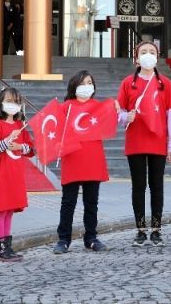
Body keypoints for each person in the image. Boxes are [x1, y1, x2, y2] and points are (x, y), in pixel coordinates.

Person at [117, 41, 171, 247]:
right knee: (138, 187)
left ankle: (156, 229)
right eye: (143, 52)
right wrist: (127, 117)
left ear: (157, 56)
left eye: (151, 52)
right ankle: (140, 229)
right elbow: (119, 114)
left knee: (156, 186)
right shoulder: (128, 83)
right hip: (135, 140)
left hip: (158, 141)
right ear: (136, 58)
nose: (147, 55)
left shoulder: (165, 84)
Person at [53, 70, 108, 254]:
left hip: (93, 159)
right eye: (83, 83)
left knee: (91, 202)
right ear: (75, 86)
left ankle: (91, 237)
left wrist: (117, 111)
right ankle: (63, 239)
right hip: (73, 158)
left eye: (90, 82)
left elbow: (110, 122)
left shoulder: (98, 106)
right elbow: (53, 129)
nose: (87, 86)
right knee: (68, 202)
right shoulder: (65, 107)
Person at [0, 87, 34, 262]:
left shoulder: (20, 126)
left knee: (9, 211)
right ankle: (0, 248)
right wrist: (7, 141)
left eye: (16, 101)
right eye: (9, 101)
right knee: (0, 210)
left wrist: (21, 146)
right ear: (1, 103)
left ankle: (8, 246)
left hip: (15, 175)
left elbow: (30, 150)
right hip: (1, 175)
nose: (13, 105)